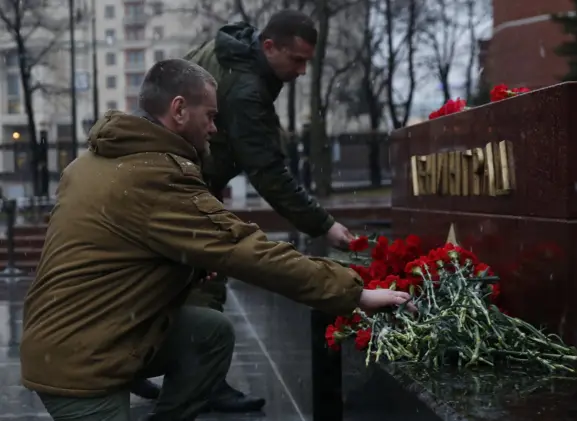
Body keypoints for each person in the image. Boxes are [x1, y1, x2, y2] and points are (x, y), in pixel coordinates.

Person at [20, 59, 412, 421]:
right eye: (209, 116)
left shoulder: (92, 162)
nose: (214, 128)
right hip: (81, 365)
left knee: (210, 333)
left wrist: (187, 269)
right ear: (178, 110)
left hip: (75, 335)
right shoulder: (155, 174)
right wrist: (354, 294)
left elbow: (115, 253)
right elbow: (247, 251)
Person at [130, 10, 358, 410]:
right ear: (268, 46)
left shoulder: (231, 49)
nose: (303, 71)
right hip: (182, 180)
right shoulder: (247, 87)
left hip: (168, 172)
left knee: (162, 274)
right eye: (297, 60)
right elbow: (268, 173)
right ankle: (201, 381)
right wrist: (325, 225)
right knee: (207, 275)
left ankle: (131, 363)